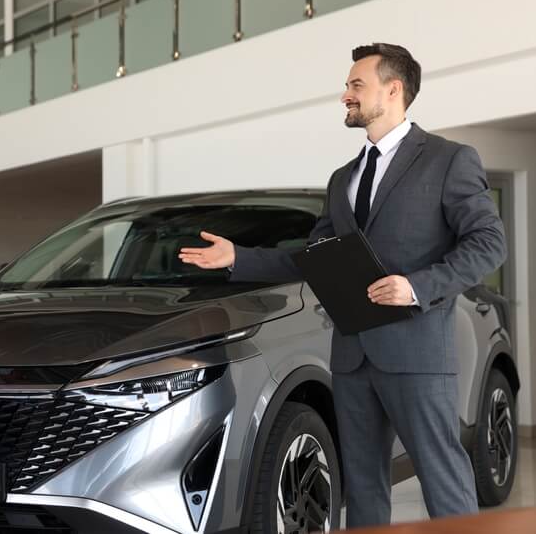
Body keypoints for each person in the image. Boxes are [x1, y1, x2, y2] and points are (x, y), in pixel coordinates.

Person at [179, 43, 506, 528]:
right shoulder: (343, 179)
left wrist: (415, 286)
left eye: (356, 85)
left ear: (393, 90)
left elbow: (489, 243)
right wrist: (239, 258)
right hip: (352, 357)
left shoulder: (448, 161)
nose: (345, 95)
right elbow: (315, 259)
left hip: (416, 353)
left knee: (444, 480)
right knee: (363, 485)